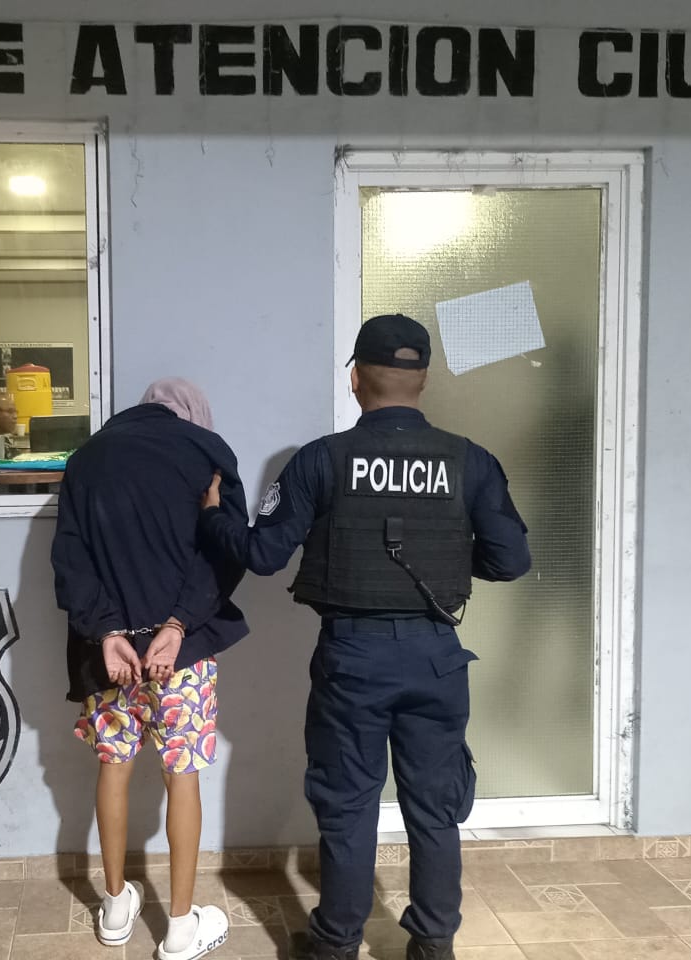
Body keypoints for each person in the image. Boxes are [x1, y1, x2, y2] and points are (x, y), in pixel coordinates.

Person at [199, 315, 531, 960]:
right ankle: (433, 941)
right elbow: (511, 560)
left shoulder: (320, 459)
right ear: (424, 379)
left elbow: (263, 555)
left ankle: (336, 943)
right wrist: (445, 558)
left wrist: (212, 516)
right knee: (434, 805)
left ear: (355, 379)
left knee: (348, 803)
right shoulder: (470, 461)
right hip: (437, 657)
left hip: (353, 658)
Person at [51, 378, 248, 960]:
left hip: (109, 656)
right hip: (180, 656)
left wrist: (109, 631)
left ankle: (115, 907)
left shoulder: (86, 459)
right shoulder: (207, 451)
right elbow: (226, 549)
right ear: (189, 414)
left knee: (113, 768)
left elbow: (70, 559)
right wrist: (178, 624)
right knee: (182, 776)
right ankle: (180, 928)